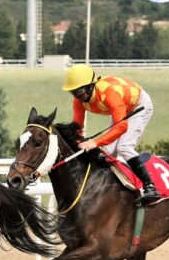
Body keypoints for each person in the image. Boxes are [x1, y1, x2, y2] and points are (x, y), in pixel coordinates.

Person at [61, 63, 161, 203]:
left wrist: (94, 142)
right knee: (106, 152)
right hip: (121, 109)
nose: (78, 96)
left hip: (139, 106)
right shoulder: (78, 101)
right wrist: (77, 143)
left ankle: (150, 186)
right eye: (73, 92)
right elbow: (77, 128)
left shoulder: (108, 93)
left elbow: (121, 126)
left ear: (91, 86)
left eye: (80, 91)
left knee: (124, 147)